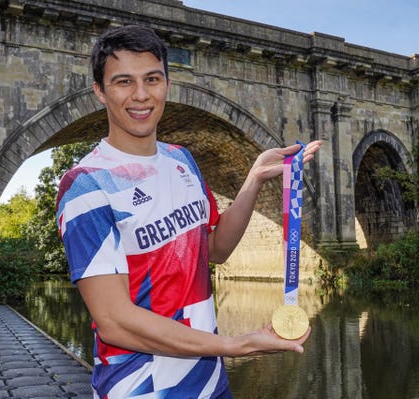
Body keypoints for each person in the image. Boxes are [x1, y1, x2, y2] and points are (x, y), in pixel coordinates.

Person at [56, 24, 322, 399]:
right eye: (123, 82)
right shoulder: (85, 184)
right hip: (140, 388)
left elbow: (215, 250)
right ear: (100, 91)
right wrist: (234, 345)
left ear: (167, 82)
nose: (141, 95)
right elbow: (115, 322)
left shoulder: (182, 160)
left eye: (152, 79)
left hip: (209, 383)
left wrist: (254, 179)